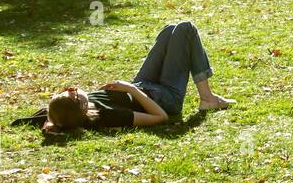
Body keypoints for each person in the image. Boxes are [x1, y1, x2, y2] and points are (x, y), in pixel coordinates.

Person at [37, 21, 233, 132]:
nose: (71, 88)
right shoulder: (110, 115)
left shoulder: (65, 112)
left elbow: (48, 115)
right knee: (185, 29)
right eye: (72, 92)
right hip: (164, 99)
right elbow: (160, 117)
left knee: (169, 30)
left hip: (144, 84)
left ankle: (208, 98)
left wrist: (51, 124)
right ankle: (208, 99)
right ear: (80, 105)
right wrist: (130, 89)